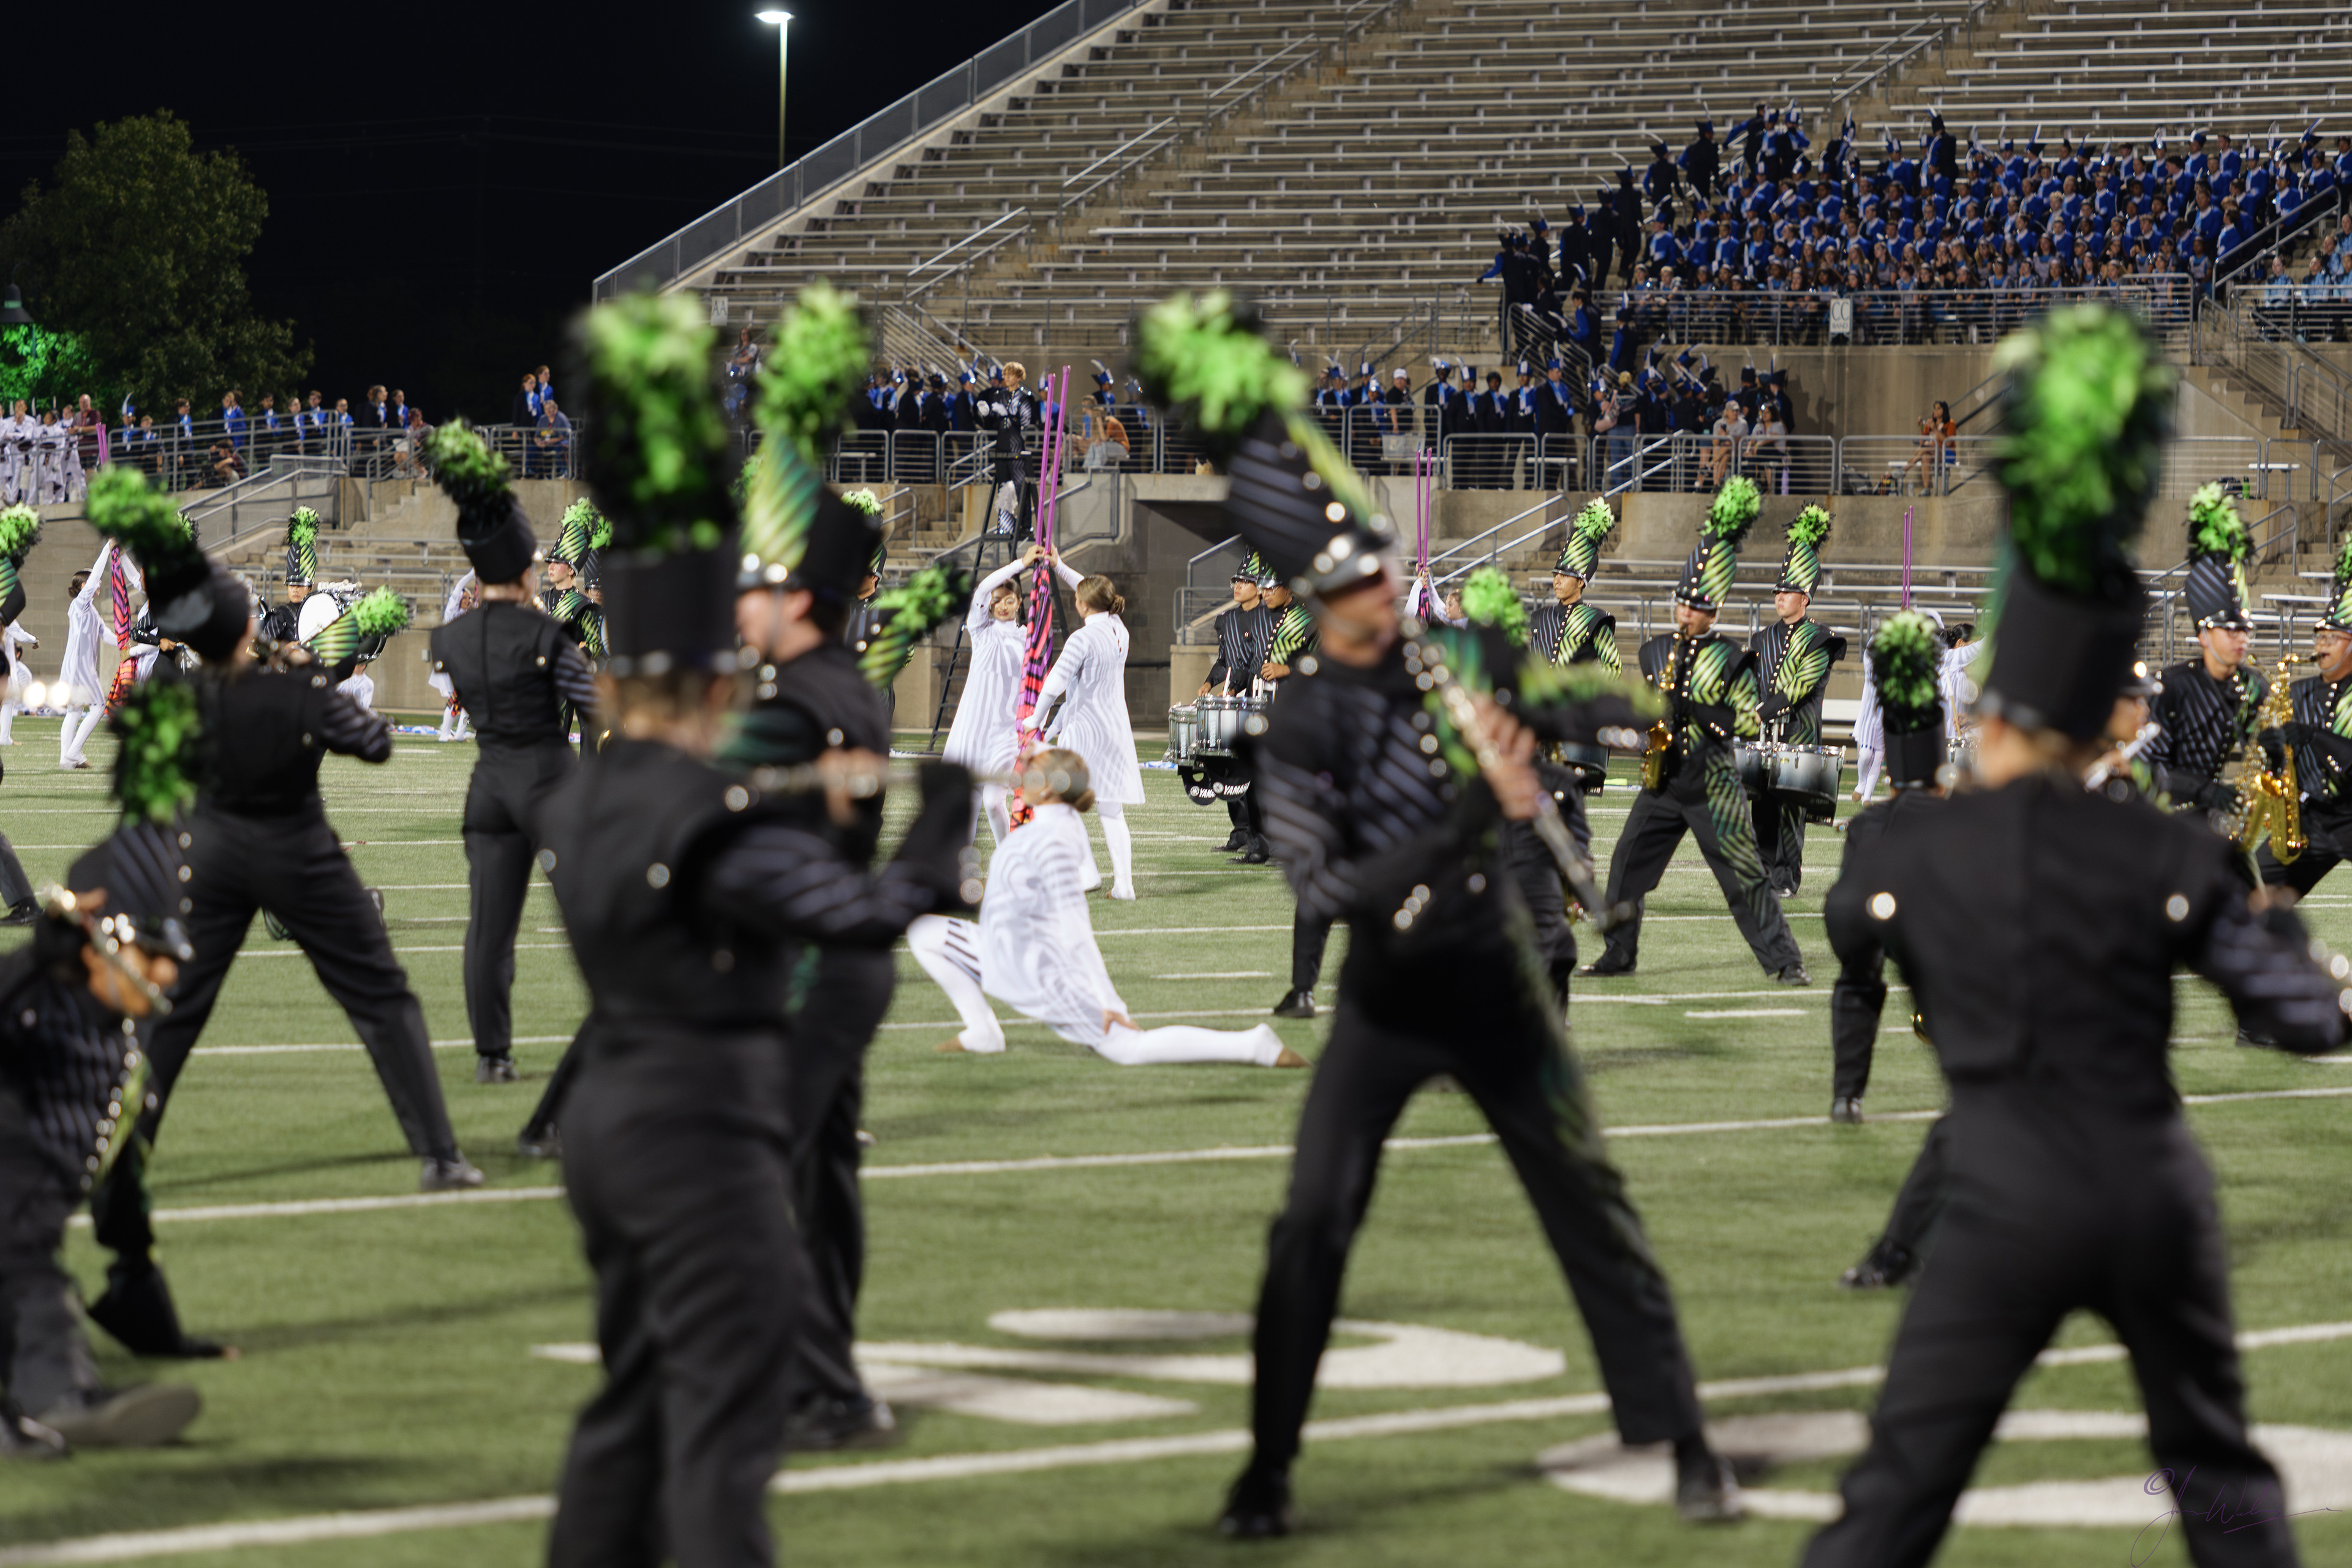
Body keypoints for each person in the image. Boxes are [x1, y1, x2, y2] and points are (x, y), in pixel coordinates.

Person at [1123, 303, 1738, 1534]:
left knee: (1592, 1206)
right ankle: (1267, 1467)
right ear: (1319, 596)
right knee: (1311, 1221)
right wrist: (1472, 803)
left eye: (1383, 573)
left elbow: (1586, 701)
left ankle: (1683, 1440)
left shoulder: (1460, 662)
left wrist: (1654, 722)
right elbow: (1327, 888)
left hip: (1495, 983)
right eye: (1357, 585)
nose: (1383, 596)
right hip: (1387, 998)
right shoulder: (1305, 723)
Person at [1803, 304, 2345, 1568]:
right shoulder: (2170, 854)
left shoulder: (1910, 853)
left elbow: (1852, 944)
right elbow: (2298, 1019)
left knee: (1897, 1494)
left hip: (2003, 1203)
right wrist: (2304, 957)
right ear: (2106, 717)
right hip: (2156, 1199)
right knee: (2218, 1483)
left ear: (1994, 715)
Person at [535, 292, 975, 1564]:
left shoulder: (597, 791)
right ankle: (827, 1381)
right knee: (731, 1373)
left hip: (699, 1041)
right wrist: (941, 824)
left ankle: (825, 1381)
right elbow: (836, 881)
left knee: (656, 1384)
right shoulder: (738, 763)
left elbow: (774, 846)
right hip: (727, 1036)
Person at [80, 467, 481, 1366]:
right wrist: (313, 680)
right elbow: (374, 744)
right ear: (248, 631)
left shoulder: (184, 696)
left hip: (213, 860)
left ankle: (120, 1153)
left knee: (174, 1017)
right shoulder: (293, 688)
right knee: (380, 996)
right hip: (301, 854)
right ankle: (438, 1151)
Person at [724, 375, 911, 1452]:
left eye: (756, 587)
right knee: (820, 1175)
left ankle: (822, 1384)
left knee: (765, 1176)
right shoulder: (841, 685)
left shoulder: (802, 700)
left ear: (800, 600)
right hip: (832, 961)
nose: (739, 603)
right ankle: (824, 1372)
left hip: (802, 969)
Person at [0, 801, 203, 1453]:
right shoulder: (26, 1002)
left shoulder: (119, 1052)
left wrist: (152, 1319)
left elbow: (120, 1180)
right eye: (151, 953)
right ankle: (57, 1398)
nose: (167, 973)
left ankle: (57, 1396)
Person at [912, 749, 1308, 1067]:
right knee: (925, 932)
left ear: (1051, 788)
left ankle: (1253, 1046)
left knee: (1128, 1048)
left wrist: (1108, 1001)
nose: (1021, 774)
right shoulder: (1052, 821)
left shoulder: (1052, 839)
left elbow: (1076, 928)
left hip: (1039, 973)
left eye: (1031, 771)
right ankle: (982, 1031)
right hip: (1001, 952)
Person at [421, 425, 598, 1086]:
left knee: (488, 932)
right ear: (526, 570)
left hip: (489, 789)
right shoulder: (549, 634)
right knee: (594, 922)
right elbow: (596, 709)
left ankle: (492, 1056)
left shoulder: (448, 641)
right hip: (552, 790)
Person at [1581, 479, 1809, 982]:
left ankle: (1786, 962)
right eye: (1683, 602)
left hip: (1714, 784)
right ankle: (1619, 954)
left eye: (1698, 606)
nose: (1687, 612)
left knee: (1745, 878)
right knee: (1625, 866)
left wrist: (1697, 710)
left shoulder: (1732, 658)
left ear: (1715, 612)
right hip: (1663, 782)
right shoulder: (1653, 652)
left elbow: (1745, 722)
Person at [1826, 612, 1948, 1131]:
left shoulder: (1866, 826)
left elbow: (1841, 917)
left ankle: (1846, 1096)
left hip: (1869, 908)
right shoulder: (1953, 817)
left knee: (1858, 978)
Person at [2146, 483, 2266, 831]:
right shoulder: (2171, 686)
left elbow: (2260, 747)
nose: (2241, 639)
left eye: (2245, 630)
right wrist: (2206, 790)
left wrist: (2275, 747)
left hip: (2207, 819)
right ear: (2203, 636)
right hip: (2162, 818)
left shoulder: (2252, 685)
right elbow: (2152, 767)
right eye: (2230, 630)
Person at [1749, 505, 1845, 897]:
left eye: (1787, 592)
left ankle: (1787, 878)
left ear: (1805, 598)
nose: (1779, 597)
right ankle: (1763, 875)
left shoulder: (1821, 639)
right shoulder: (1761, 638)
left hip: (1799, 737)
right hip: (1763, 737)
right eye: (1777, 591)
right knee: (1761, 807)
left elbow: (1803, 684)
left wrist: (1763, 710)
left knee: (1791, 811)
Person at [1035, 567, 1143, 899]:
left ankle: (1087, 873)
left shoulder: (1081, 638)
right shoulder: (1119, 629)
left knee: (1056, 803)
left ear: (1082, 604)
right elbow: (1090, 590)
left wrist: (1035, 720)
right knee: (1111, 809)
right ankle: (1124, 885)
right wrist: (1058, 565)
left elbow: (1054, 684)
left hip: (1084, 731)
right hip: (1114, 729)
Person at [2254, 535, 2352, 901]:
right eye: (2319, 637)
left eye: (2332, 638)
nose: (2321, 645)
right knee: (2251, 886)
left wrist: (2312, 735)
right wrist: (2274, 751)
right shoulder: (2299, 692)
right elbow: (2284, 763)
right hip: (2310, 817)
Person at [949, 544, 1049, 846]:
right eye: (997, 602)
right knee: (967, 804)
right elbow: (982, 589)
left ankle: (1010, 858)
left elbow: (1040, 682)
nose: (1002, 606)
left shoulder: (1027, 638)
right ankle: (963, 866)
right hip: (973, 730)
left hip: (1007, 734)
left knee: (994, 803)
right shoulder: (980, 630)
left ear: (1019, 602)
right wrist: (1022, 564)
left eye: (1009, 600)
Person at [1200, 554, 1272, 853]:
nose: (1238, 586)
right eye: (1235, 581)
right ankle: (1240, 831)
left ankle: (1262, 836)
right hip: (1233, 700)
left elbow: (1262, 661)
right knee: (1229, 765)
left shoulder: (1274, 618)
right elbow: (1224, 661)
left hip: (1262, 698)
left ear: (1259, 587)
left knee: (1255, 771)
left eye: (1245, 581)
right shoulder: (1226, 619)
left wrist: (1240, 685)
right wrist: (1209, 683)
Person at [1526, 499, 1620, 671]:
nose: (1557, 581)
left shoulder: (1596, 619)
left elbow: (1613, 667)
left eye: (1564, 576)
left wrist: (1586, 686)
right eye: (1556, 575)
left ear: (1581, 582)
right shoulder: (1541, 617)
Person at [56, 551, 118, 771]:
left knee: (74, 711)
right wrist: (107, 548)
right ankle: (74, 751)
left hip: (78, 666)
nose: (98, 583)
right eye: (94, 581)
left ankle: (66, 759)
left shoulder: (91, 609)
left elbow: (105, 634)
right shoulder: (80, 605)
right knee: (99, 707)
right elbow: (94, 579)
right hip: (80, 667)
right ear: (84, 586)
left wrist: (125, 642)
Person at [430, 572, 477, 742]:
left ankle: (459, 733)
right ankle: (445, 733)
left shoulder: (468, 617)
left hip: (463, 662)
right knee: (458, 696)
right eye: (466, 598)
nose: (468, 601)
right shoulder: (451, 613)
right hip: (451, 662)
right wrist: (472, 574)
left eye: (470, 598)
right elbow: (458, 588)